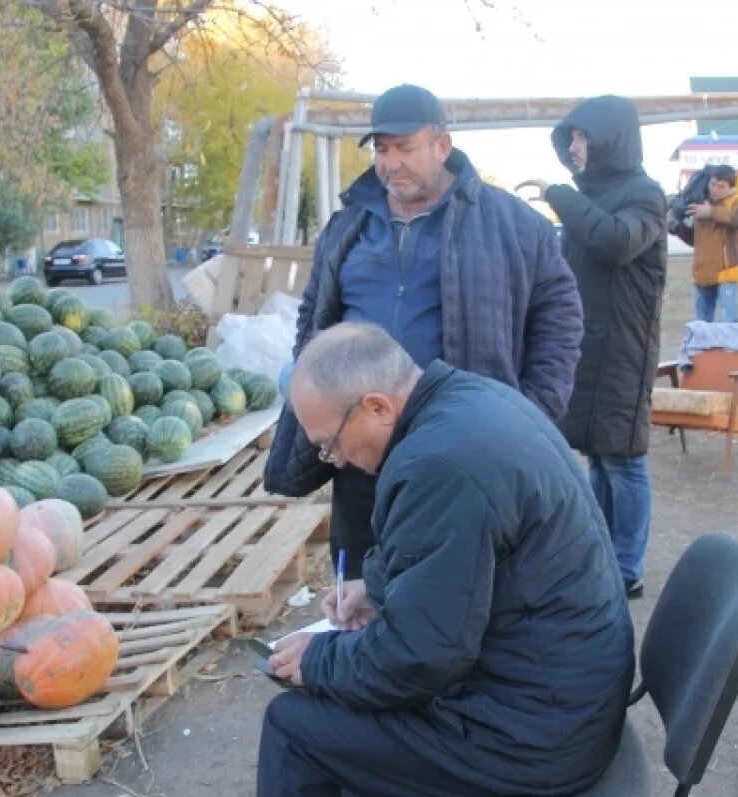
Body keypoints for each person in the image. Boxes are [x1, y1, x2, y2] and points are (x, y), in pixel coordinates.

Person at [258, 323, 635, 797]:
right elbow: (465, 557)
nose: (334, 459)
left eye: (329, 444)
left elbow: (420, 661)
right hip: (563, 694)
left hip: (531, 740)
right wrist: (377, 587)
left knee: (294, 727)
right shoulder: (474, 401)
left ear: (377, 406)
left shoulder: (438, 466)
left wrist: (321, 661)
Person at [264, 84, 584, 581]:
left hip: (461, 447)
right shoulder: (348, 225)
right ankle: (358, 646)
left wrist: (536, 407)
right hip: (360, 441)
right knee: (360, 577)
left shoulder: (513, 224)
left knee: (451, 578)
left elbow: (560, 316)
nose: (390, 163)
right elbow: (314, 312)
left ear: (442, 145)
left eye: (405, 147)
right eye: (382, 149)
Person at [516, 95, 667, 598]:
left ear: (610, 138)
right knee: (599, 455)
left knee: (623, 456)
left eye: (582, 137)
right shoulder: (590, 194)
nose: (575, 147)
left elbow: (616, 241)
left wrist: (559, 195)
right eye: (572, 138)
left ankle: (628, 566)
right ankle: (603, 553)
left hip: (623, 347)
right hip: (584, 346)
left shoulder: (644, 195)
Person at [687, 164, 738, 323]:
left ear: (731, 188)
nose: (715, 189)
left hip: (725, 274)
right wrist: (675, 227)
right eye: (712, 184)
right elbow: (696, 240)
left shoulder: (737, 203)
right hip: (702, 274)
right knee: (702, 328)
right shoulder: (702, 204)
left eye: (721, 186)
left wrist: (711, 212)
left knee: (729, 326)